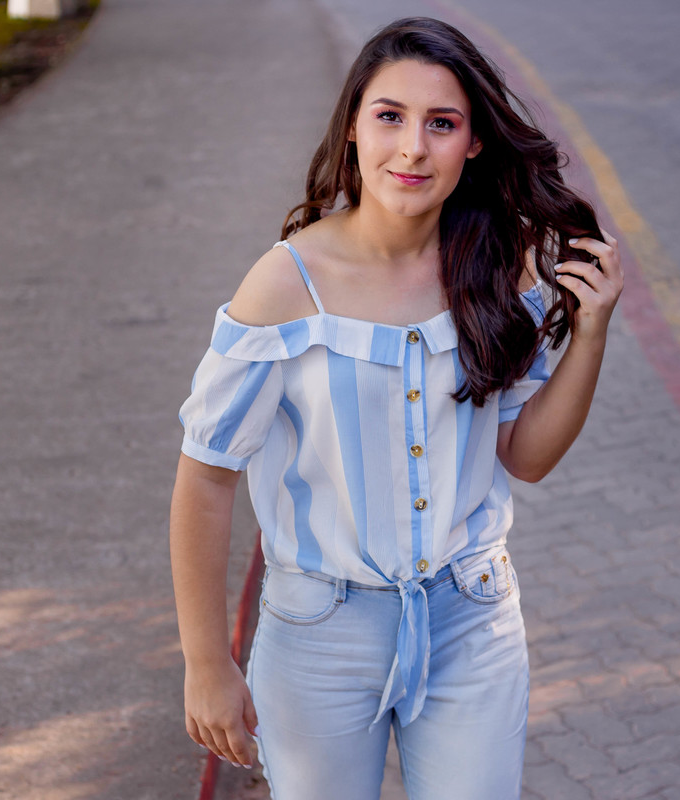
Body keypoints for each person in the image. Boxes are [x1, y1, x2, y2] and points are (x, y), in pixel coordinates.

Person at [169, 16, 622, 800]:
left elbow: (527, 458)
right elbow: (206, 479)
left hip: (471, 619)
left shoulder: (499, 267)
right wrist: (207, 664)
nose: (412, 148)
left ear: (473, 143)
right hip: (320, 635)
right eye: (390, 116)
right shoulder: (284, 286)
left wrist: (591, 335)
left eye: (441, 123)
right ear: (353, 126)